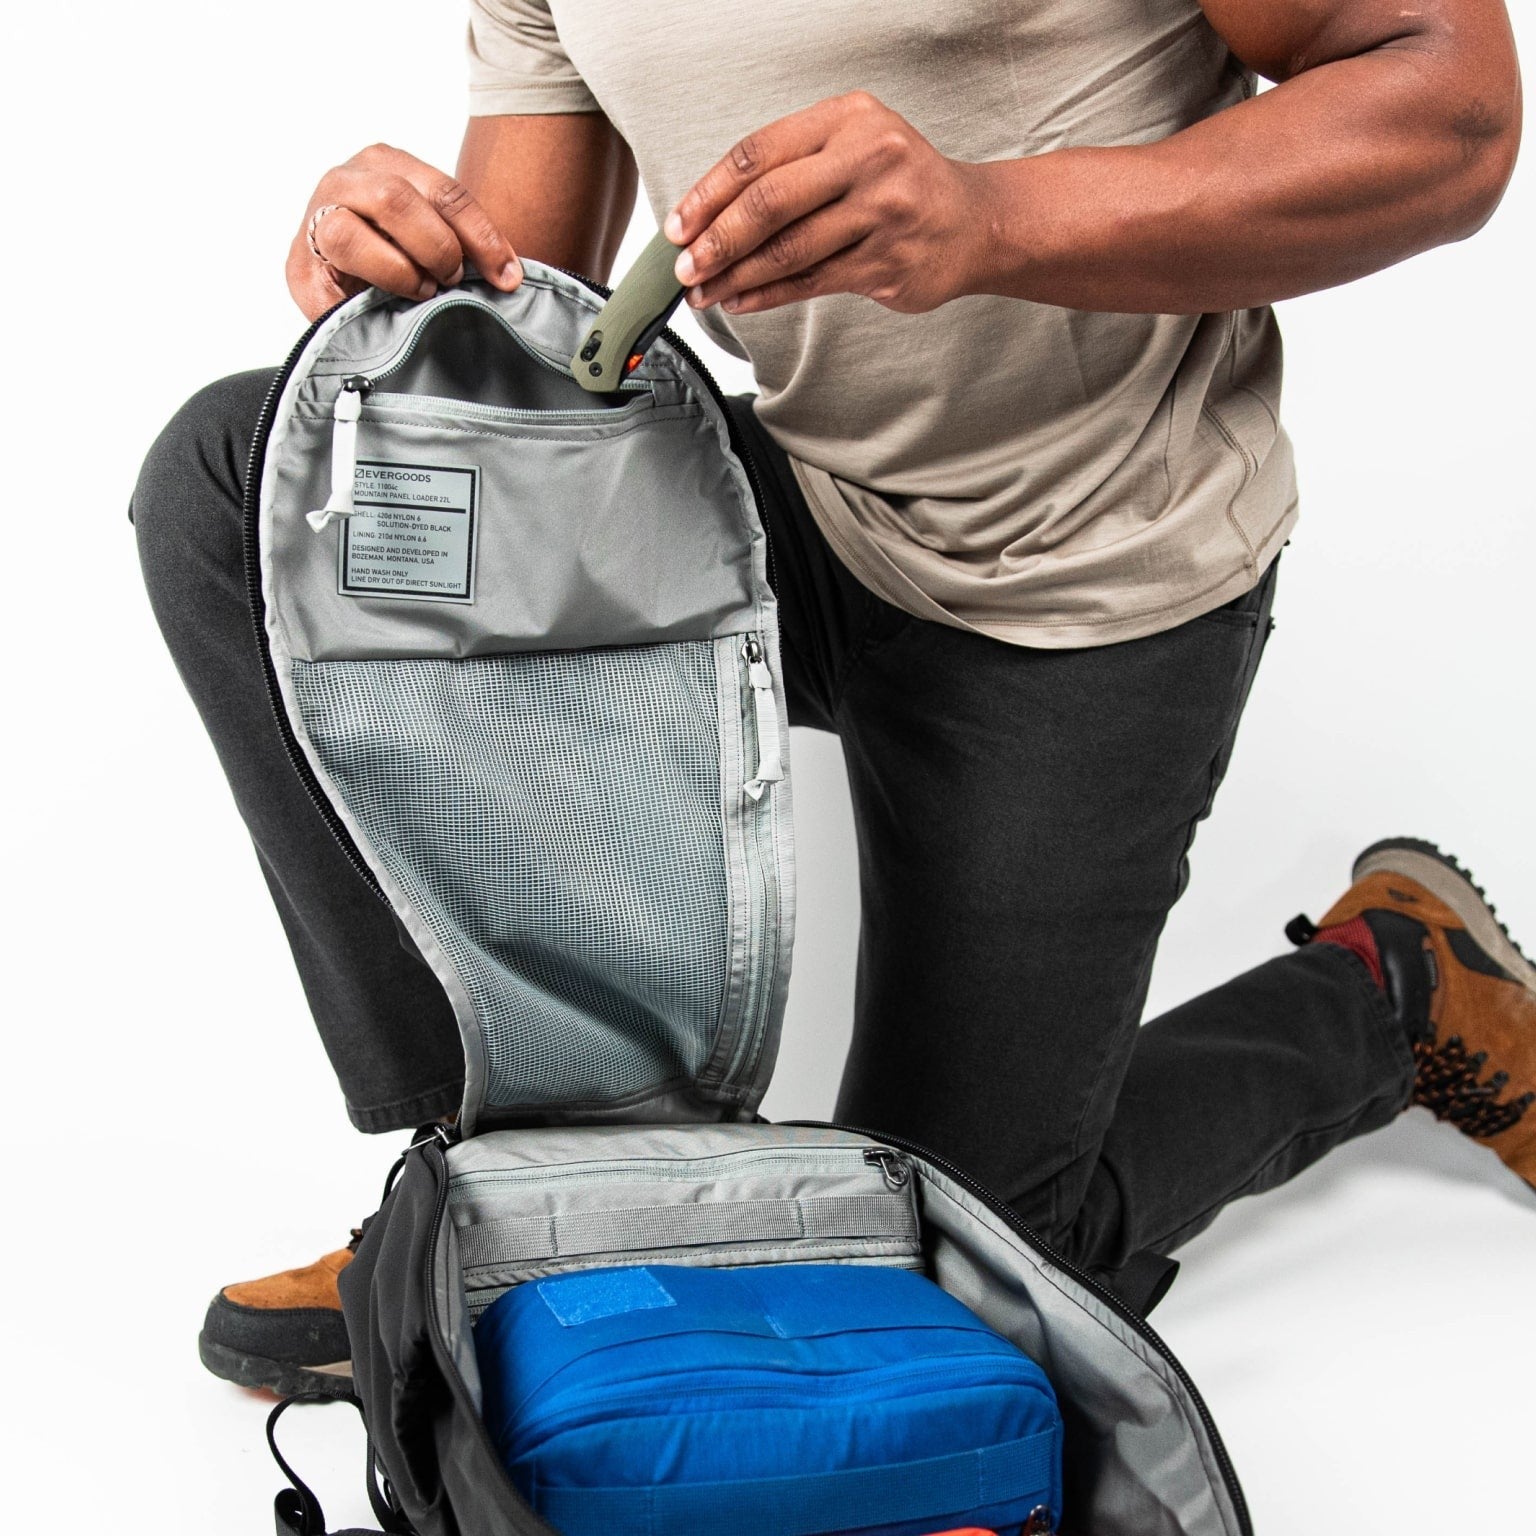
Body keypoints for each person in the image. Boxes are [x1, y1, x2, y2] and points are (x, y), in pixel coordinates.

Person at [130, 0, 1531, 1400]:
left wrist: (990, 218)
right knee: (239, 492)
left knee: (939, 1284)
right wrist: (396, 285)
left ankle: (1389, 990)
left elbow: (1453, 110)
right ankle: (505, 1195)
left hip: (1084, 564)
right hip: (784, 510)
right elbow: (517, 347)